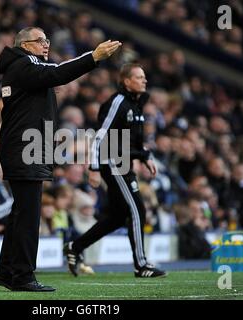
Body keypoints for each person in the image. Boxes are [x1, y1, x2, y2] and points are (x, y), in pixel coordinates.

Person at [0, 26, 121, 292]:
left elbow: (49, 78)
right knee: (28, 216)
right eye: (40, 41)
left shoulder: (23, 68)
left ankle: (7, 272)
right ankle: (24, 276)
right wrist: (93, 56)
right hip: (25, 148)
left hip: (28, 147)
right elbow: (59, 72)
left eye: (47, 40)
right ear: (24, 45)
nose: (46, 45)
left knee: (21, 214)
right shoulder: (23, 64)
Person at [64, 63, 167, 278]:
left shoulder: (136, 104)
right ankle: (141, 265)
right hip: (113, 162)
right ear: (126, 81)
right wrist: (93, 168)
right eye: (139, 77)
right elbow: (100, 136)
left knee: (119, 217)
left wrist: (145, 156)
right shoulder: (118, 102)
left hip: (124, 163)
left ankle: (75, 246)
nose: (144, 81)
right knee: (137, 210)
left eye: (144, 77)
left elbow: (133, 141)